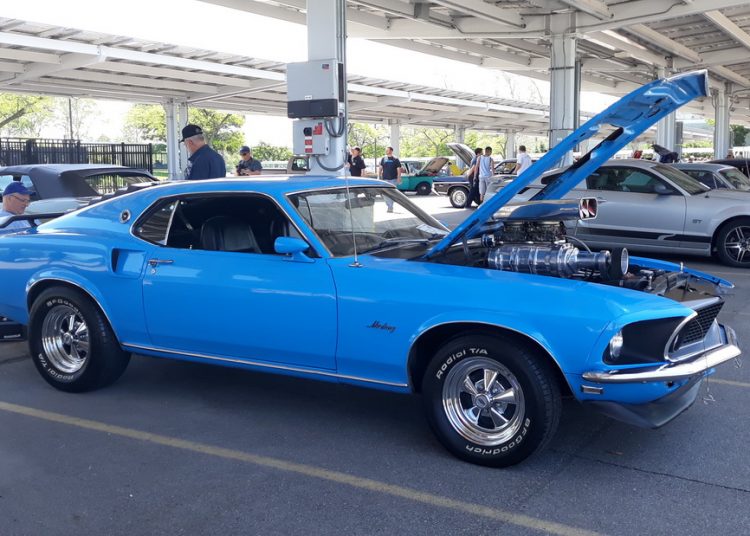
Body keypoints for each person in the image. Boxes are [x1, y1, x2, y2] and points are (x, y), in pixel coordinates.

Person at [378, 146, 402, 212]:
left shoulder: (395, 159)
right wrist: (379, 176)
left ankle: (390, 207)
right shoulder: (383, 159)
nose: (386, 151)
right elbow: (380, 168)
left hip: (393, 179)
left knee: (391, 193)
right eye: (386, 150)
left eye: (387, 150)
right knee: (385, 193)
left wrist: (399, 178)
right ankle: (389, 205)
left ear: (391, 151)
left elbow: (398, 169)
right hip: (385, 179)